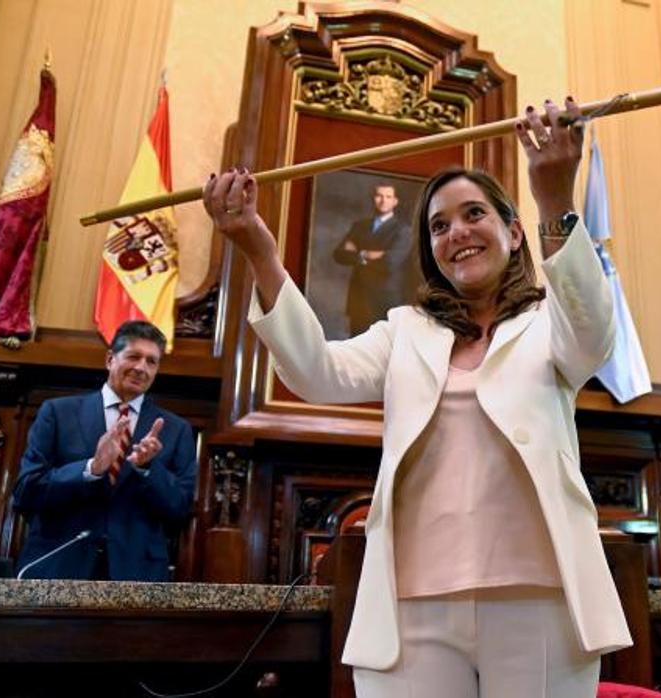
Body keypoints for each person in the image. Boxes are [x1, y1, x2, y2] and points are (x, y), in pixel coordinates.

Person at [203, 96, 630, 697]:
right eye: (438, 225)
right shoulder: (404, 329)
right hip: (410, 607)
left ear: (512, 231)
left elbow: (593, 334)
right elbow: (315, 371)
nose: (456, 232)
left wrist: (554, 197)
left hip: (540, 598)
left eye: (473, 213)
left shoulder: (549, 321)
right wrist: (258, 249)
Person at [12, 321, 197, 581]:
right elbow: (26, 492)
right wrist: (91, 469)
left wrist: (147, 470)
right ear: (110, 359)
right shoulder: (57, 413)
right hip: (58, 570)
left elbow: (180, 510)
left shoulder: (175, 430)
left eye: (151, 361)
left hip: (136, 577)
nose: (141, 368)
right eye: (134, 356)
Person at [332, 183, 415, 335]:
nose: (383, 200)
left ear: (395, 201)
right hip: (359, 299)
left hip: (386, 302)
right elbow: (339, 254)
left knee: (383, 353)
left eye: (388, 196)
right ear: (373, 199)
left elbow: (390, 262)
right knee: (355, 351)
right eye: (379, 196)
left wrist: (357, 253)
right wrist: (367, 255)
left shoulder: (403, 230)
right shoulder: (359, 226)